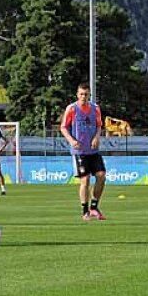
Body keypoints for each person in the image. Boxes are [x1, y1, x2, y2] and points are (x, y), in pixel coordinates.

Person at [59, 83, 106, 221]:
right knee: (85, 180)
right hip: (79, 151)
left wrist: (97, 137)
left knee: (101, 175)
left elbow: (99, 126)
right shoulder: (72, 109)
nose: (83, 97)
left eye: (86, 94)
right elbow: (63, 127)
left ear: (89, 95)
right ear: (77, 95)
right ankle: (85, 211)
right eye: (81, 94)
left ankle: (94, 207)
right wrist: (71, 141)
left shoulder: (95, 109)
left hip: (93, 150)